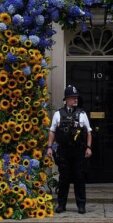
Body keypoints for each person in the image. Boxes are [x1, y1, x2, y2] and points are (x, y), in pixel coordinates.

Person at [47, 85, 92, 214]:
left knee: (79, 178)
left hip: (78, 151)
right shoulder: (58, 114)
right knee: (63, 179)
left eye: (76, 97)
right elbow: (52, 131)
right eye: (72, 98)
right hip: (63, 151)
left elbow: (88, 132)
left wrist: (88, 147)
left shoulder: (82, 114)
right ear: (66, 99)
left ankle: (81, 205)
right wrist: (49, 147)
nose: (75, 100)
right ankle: (61, 205)